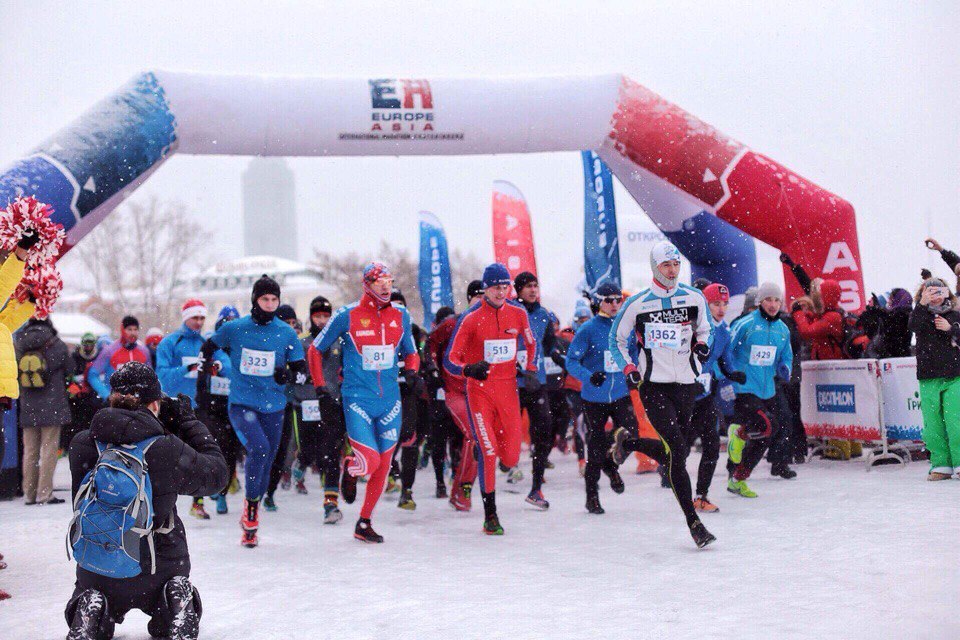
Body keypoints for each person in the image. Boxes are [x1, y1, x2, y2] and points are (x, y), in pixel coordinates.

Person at [65, 363, 228, 640]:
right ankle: (174, 597)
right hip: (158, 566)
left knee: (96, 604)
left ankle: (93, 603)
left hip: (100, 565)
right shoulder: (166, 446)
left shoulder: (83, 442)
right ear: (155, 403)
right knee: (164, 617)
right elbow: (217, 475)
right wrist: (187, 421)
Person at [607, 241, 716, 548]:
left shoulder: (694, 297)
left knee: (674, 452)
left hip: (685, 384)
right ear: (655, 268)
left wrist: (702, 346)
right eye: (666, 266)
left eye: (675, 265)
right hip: (653, 385)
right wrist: (628, 367)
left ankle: (628, 442)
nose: (672, 271)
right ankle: (694, 523)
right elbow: (616, 339)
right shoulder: (638, 303)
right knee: (678, 453)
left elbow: (706, 328)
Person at [310, 262, 419, 543]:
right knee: (369, 462)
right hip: (357, 400)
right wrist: (321, 388)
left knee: (383, 466)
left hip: (390, 401)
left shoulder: (401, 315)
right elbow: (315, 349)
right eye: (379, 282)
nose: (386, 286)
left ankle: (364, 522)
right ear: (367, 285)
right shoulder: (347, 315)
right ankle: (351, 466)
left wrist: (412, 371)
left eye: (389, 281)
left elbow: (411, 351)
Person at [198, 276, 307, 547]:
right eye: (264, 299)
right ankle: (251, 512)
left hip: (274, 406)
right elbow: (208, 347)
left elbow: (301, 371)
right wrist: (204, 368)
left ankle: (252, 503)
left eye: (274, 300)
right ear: (255, 301)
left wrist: (287, 375)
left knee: (268, 459)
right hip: (242, 404)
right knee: (258, 449)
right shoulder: (236, 329)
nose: (270, 305)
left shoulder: (286, 333)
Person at [444, 263, 539, 535]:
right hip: (480, 391)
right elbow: (450, 359)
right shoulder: (471, 318)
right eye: (496, 287)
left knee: (510, 456)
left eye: (505, 287)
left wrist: (530, 370)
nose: (500, 292)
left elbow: (531, 343)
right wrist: (468, 370)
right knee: (488, 452)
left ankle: (487, 447)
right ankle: (491, 516)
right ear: (486, 288)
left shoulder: (518, 313)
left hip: (508, 391)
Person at [156, 299, 231, 520]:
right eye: (194, 318)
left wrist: (217, 366)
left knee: (200, 453)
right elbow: (162, 375)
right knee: (173, 455)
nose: (198, 322)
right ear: (185, 317)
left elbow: (226, 363)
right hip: (173, 406)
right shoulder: (170, 342)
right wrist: (187, 368)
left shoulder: (205, 343)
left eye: (202, 318)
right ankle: (166, 499)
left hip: (200, 406)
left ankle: (198, 501)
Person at [564, 282, 634, 514]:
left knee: (629, 436)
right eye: (609, 300)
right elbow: (571, 361)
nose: (614, 304)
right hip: (594, 397)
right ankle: (591, 496)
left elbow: (632, 355)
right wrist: (588, 376)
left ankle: (611, 467)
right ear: (599, 302)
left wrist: (635, 374)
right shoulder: (588, 329)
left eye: (618, 300)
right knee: (596, 445)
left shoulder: (626, 327)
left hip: (621, 393)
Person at [724, 282, 795, 498]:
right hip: (744, 387)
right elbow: (725, 352)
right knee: (766, 424)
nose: (773, 305)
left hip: (768, 389)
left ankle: (737, 478)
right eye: (768, 300)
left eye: (776, 300)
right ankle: (737, 433)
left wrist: (785, 368)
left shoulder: (783, 329)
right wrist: (726, 379)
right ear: (759, 302)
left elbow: (787, 355)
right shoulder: (744, 325)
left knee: (764, 436)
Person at [688, 283, 747, 512]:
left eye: (725, 304)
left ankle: (701, 495)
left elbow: (723, 359)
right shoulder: (690, 327)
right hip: (682, 396)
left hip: (704, 395)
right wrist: (686, 380)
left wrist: (733, 373)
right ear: (705, 303)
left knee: (711, 443)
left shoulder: (723, 331)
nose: (722, 309)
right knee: (680, 446)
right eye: (716, 304)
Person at [429, 281, 484, 511]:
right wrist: (434, 372)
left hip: (479, 390)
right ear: (470, 298)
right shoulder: (453, 323)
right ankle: (462, 490)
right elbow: (430, 343)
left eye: (485, 295)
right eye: (477, 296)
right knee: (473, 435)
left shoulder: (490, 323)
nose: (482, 300)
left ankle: (460, 491)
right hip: (454, 391)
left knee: (482, 440)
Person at [513, 271, 559, 509]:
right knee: (508, 433)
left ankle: (535, 487)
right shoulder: (509, 311)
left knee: (544, 432)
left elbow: (550, 344)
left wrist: (561, 358)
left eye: (535, 285)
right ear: (518, 290)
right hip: (512, 384)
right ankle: (506, 464)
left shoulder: (543, 315)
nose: (533, 290)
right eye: (528, 286)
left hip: (537, 383)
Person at [15, 316, 71, 505]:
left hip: (28, 406)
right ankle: (45, 493)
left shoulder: (19, 343)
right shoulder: (56, 344)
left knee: (30, 451)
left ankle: (29, 494)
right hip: (52, 405)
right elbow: (70, 368)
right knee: (48, 451)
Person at [909, 277, 960, 480]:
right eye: (930, 292)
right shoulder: (920, 315)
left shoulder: (955, 315)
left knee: (956, 419)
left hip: (954, 375)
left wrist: (951, 329)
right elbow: (913, 326)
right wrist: (921, 304)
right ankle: (941, 464)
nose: (935, 296)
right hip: (928, 376)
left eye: (939, 291)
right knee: (933, 422)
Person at [304, 295, 347, 524]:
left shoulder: (341, 340)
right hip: (311, 402)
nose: (321, 320)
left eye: (325, 315)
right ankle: (302, 471)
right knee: (312, 450)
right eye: (317, 315)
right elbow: (295, 371)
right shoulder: (304, 342)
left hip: (341, 401)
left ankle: (332, 501)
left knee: (335, 450)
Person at [195, 306, 241, 515]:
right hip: (211, 407)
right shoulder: (210, 346)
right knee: (210, 448)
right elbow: (200, 376)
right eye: (226, 323)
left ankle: (222, 493)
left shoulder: (242, 347)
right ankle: (203, 492)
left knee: (231, 451)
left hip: (235, 406)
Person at [263, 304, 301, 511]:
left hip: (286, 405)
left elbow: (302, 372)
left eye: (293, 323)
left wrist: (291, 375)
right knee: (263, 450)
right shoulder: (268, 342)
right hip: (263, 405)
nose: (291, 327)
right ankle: (256, 489)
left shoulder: (296, 347)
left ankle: (270, 492)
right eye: (287, 323)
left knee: (281, 450)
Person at [88, 316, 152, 400]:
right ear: (122, 330)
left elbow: (151, 377)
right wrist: (107, 395)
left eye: (135, 329)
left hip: (138, 403)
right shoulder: (110, 351)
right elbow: (92, 375)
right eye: (129, 329)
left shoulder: (144, 351)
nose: (133, 333)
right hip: (116, 404)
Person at [66, 333, 103, 450]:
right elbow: (68, 376)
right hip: (78, 399)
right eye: (86, 345)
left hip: (94, 398)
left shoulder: (100, 357)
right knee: (77, 425)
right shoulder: (75, 357)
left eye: (90, 345)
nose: (88, 348)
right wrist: (72, 385)